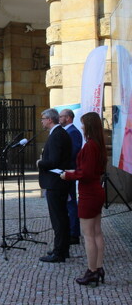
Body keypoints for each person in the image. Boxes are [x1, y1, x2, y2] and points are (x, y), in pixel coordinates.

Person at [61, 112, 107, 286]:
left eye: (83, 124)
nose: (82, 127)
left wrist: (68, 176)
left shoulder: (90, 146)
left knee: (88, 235)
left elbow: (85, 173)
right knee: (97, 232)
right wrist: (73, 172)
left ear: (89, 126)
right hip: (97, 190)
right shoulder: (99, 145)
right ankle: (99, 267)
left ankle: (92, 271)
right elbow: (94, 171)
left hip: (89, 193)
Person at [36, 108, 72, 263]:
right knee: (60, 217)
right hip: (57, 182)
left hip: (56, 183)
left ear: (50, 119)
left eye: (43, 119)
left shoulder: (57, 135)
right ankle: (62, 249)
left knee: (59, 219)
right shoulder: (58, 133)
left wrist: (40, 163)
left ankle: (59, 252)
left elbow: (55, 161)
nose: (42, 121)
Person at [59, 109, 83, 245]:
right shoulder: (66, 132)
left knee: (71, 202)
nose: (59, 118)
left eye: (61, 116)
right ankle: (69, 230)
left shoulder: (73, 132)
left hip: (69, 171)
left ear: (68, 118)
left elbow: (73, 152)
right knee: (67, 202)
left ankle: (74, 233)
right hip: (64, 171)